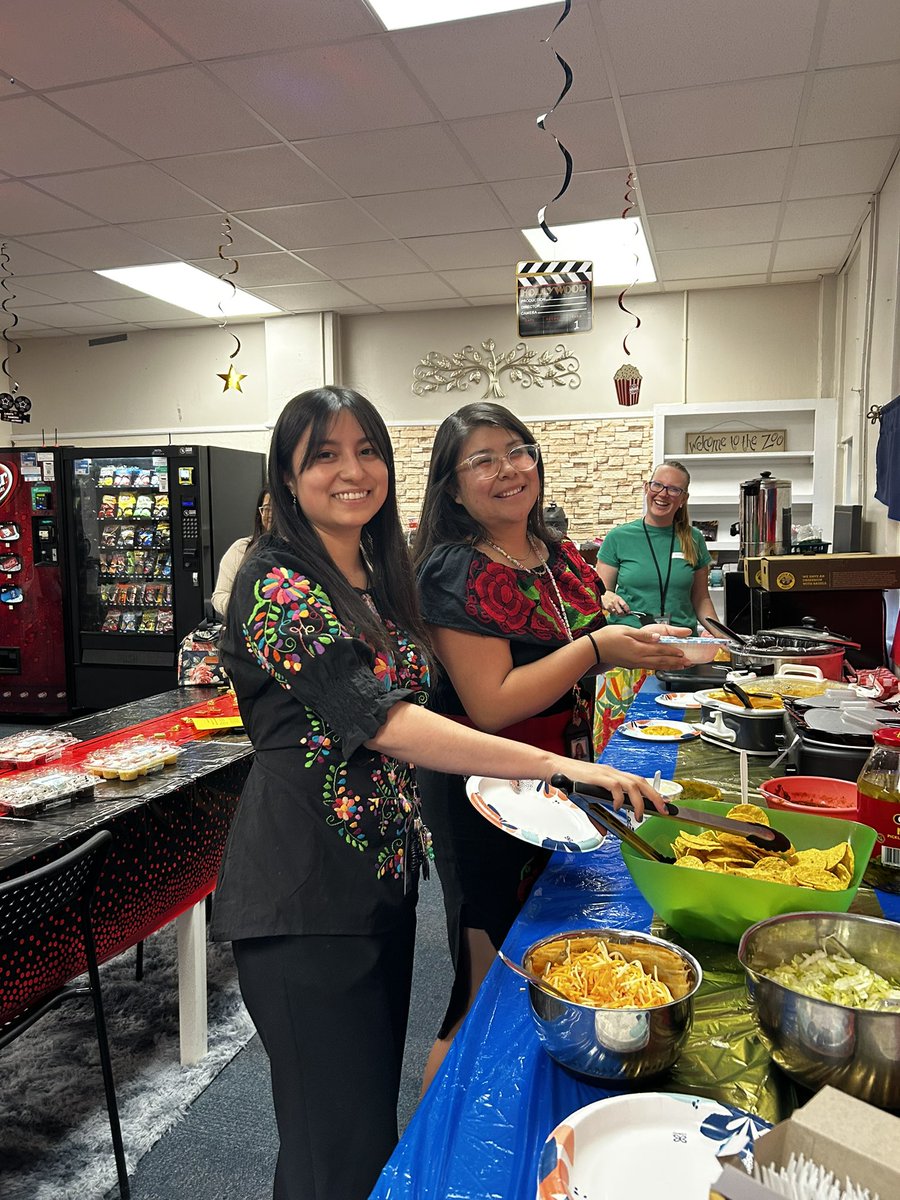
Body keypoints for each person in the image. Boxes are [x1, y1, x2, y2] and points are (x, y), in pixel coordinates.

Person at [209, 387, 669, 1200]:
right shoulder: (276, 581)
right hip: (302, 895)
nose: (353, 471)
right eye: (324, 454)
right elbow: (384, 723)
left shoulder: (376, 574)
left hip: (377, 889)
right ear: (285, 475)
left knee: (363, 1134)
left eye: (368, 450)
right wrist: (559, 767)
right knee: (334, 1155)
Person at [412, 402, 690, 1089]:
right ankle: (437, 1158)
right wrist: (599, 647)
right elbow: (492, 701)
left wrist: (645, 647)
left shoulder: (555, 551)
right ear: (451, 485)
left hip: (557, 785)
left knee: (549, 963)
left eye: (518, 450)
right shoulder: (454, 570)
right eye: (482, 459)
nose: (508, 469)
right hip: (487, 798)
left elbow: (580, 650)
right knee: (482, 989)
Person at [597, 460, 720, 633]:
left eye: (674, 489)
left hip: (681, 641)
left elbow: (701, 599)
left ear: (683, 499)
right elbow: (600, 592)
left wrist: (722, 636)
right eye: (657, 485)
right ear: (647, 488)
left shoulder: (694, 538)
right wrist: (605, 596)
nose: (663, 494)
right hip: (629, 640)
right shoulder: (618, 537)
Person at [210, 486, 271, 617]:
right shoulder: (240, 549)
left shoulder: (301, 549)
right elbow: (219, 596)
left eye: (278, 509)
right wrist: (244, 608)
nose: (271, 514)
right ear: (259, 513)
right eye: (267, 508)